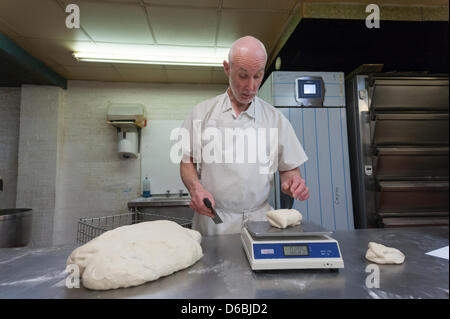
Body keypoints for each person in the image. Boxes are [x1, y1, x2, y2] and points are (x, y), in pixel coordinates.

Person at [179, 35, 309, 236]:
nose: (250, 86)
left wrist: (293, 183)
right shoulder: (201, 114)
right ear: (227, 69)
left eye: (257, 76)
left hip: (260, 222)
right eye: (243, 75)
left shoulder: (275, 119)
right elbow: (187, 162)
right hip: (214, 220)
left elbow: (289, 169)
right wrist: (195, 188)